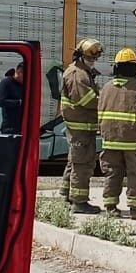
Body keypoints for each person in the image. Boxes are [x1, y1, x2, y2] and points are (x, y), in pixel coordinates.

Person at [98, 47, 136, 220]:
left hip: (109, 141)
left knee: (112, 173)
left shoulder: (106, 88)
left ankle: (110, 207)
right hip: (134, 142)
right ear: (134, 68)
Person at [60, 38, 104, 213]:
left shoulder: (82, 72)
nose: (93, 61)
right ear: (81, 56)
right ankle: (79, 202)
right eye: (90, 58)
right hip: (81, 126)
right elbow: (86, 100)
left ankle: (65, 194)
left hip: (81, 126)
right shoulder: (78, 74)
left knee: (74, 161)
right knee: (83, 164)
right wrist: (106, 102)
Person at [0, 63, 23, 134]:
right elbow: (1, 102)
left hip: (22, 127)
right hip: (9, 128)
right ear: (19, 73)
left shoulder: (23, 85)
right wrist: (19, 102)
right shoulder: (6, 83)